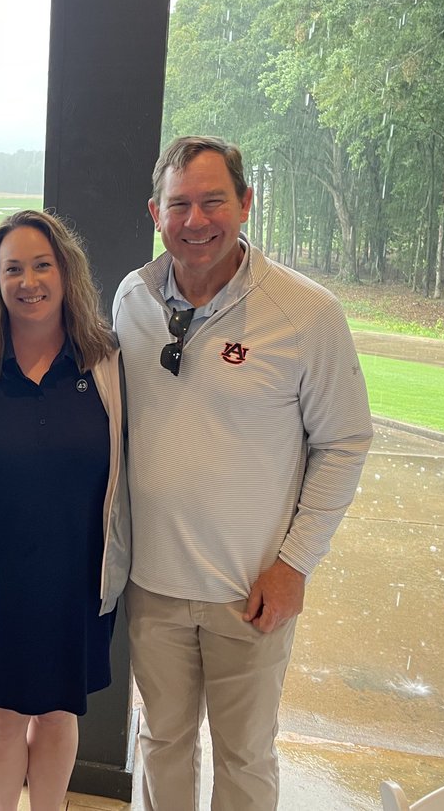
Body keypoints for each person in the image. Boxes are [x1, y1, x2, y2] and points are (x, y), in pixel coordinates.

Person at [112, 135, 373, 810]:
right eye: (179, 206)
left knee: (246, 757)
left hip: (251, 591)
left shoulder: (306, 313)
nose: (196, 221)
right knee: (161, 743)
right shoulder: (132, 300)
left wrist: (295, 565)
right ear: (154, 212)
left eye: (212, 202)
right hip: (153, 585)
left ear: (246, 204)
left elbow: (344, 442)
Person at [0, 210, 128, 811]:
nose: (28, 281)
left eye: (41, 265)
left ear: (66, 272)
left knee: (58, 713)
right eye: (13, 269)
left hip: (76, 574)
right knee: (2, 717)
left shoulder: (105, 359)